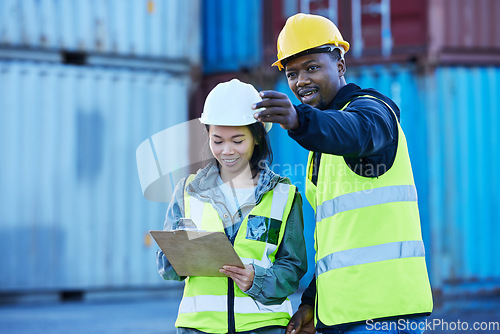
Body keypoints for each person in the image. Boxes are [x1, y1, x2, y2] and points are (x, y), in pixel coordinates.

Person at [252, 13, 433, 334]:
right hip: (342, 315)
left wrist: (299, 119)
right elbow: (337, 239)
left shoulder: (373, 111)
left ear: (340, 66)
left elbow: (357, 131)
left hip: (384, 315)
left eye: (312, 67)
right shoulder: (322, 145)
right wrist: (312, 302)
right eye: (292, 73)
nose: (301, 81)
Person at [156, 79, 308, 334]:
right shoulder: (186, 191)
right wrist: (179, 256)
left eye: (237, 140)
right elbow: (166, 269)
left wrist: (257, 280)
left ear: (258, 136)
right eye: (217, 141)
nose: (227, 151)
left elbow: (293, 269)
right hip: (199, 328)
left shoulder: (284, 195)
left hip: (264, 327)